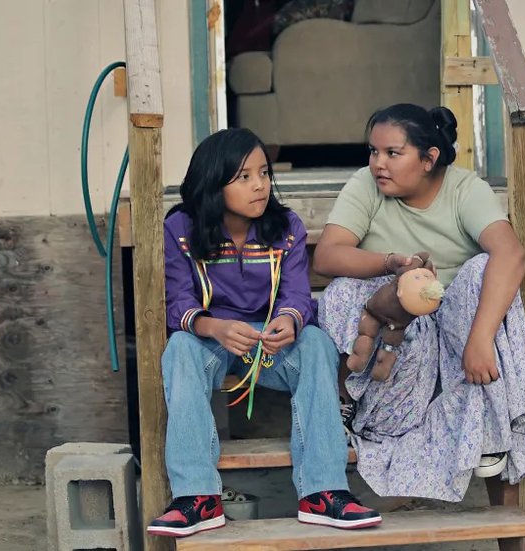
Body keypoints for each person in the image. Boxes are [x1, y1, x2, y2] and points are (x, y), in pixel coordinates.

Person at [313, 104, 525, 501]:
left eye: (393, 153)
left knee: (484, 269)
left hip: (458, 329)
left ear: (429, 158)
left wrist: (480, 338)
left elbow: (511, 254)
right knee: (342, 291)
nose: (378, 163)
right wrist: (390, 263)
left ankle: (489, 426)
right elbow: (327, 255)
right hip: (399, 332)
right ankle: (357, 408)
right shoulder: (366, 184)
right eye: (373, 151)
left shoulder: (465, 190)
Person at [147, 128, 381, 537]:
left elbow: (296, 292)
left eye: (263, 173)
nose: (260, 185)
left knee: (315, 343)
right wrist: (212, 326)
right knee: (180, 348)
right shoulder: (181, 228)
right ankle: (197, 497)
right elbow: (178, 300)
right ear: (212, 182)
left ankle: (322, 493)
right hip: (210, 338)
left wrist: (289, 321)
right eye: (243, 177)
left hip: (268, 345)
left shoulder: (283, 226)